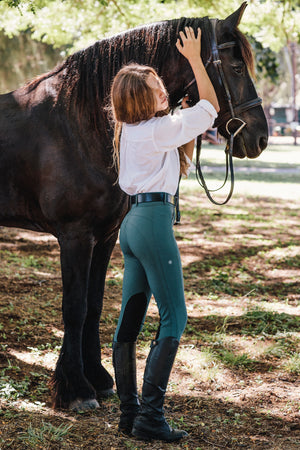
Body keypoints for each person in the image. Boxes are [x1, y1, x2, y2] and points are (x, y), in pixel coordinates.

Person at [110, 27, 219, 442]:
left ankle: (129, 414)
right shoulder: (158, 130)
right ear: (141, 98)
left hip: (132, 226)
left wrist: (177, 115)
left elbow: (177, 130)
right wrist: (194, 58)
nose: (164, 93)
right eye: (157, 89)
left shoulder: (130, 132)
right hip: (154, 224)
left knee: (130, 319)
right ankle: (151, 418)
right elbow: (209, 107)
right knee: (175, 317)